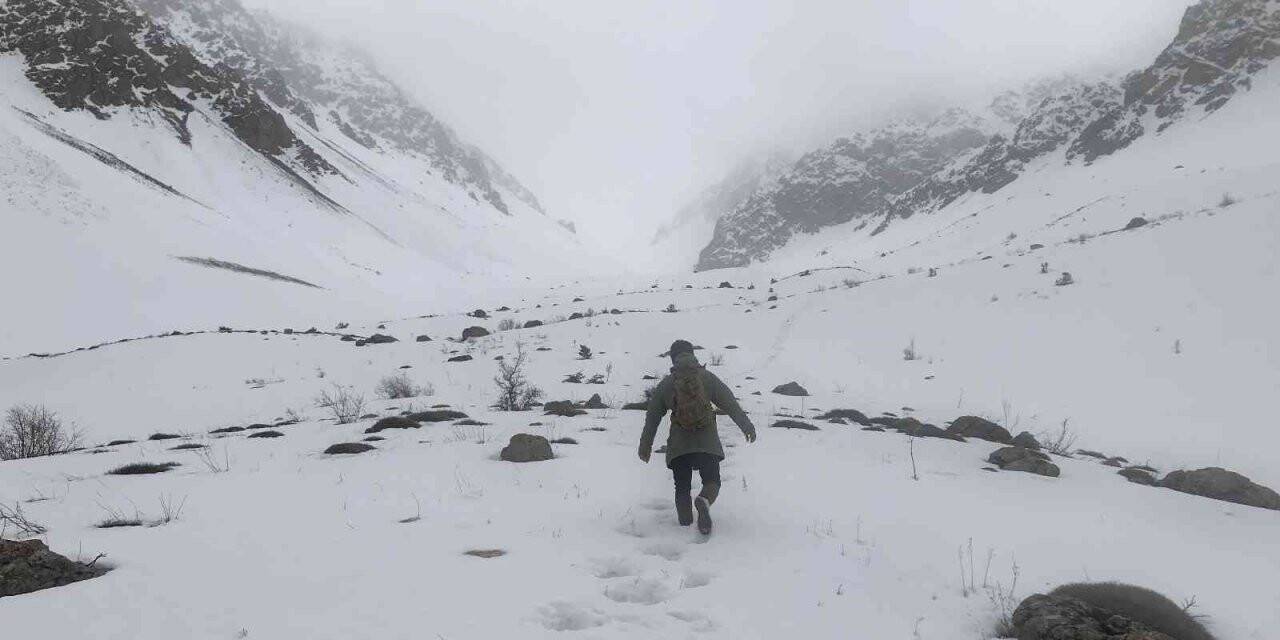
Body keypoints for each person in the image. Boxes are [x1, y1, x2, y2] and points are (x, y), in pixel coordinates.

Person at [638, 339, 757, 535]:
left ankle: (684, 527)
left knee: (682, 488)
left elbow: (652, 417)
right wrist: (746, 426)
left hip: (679, 446)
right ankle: (704, 500)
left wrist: (645, 445)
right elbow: (729, 403)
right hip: (707, 442)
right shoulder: (707, 378)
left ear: (673, 357)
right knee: (712, 481)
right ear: (692, 354)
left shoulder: (667, 384)